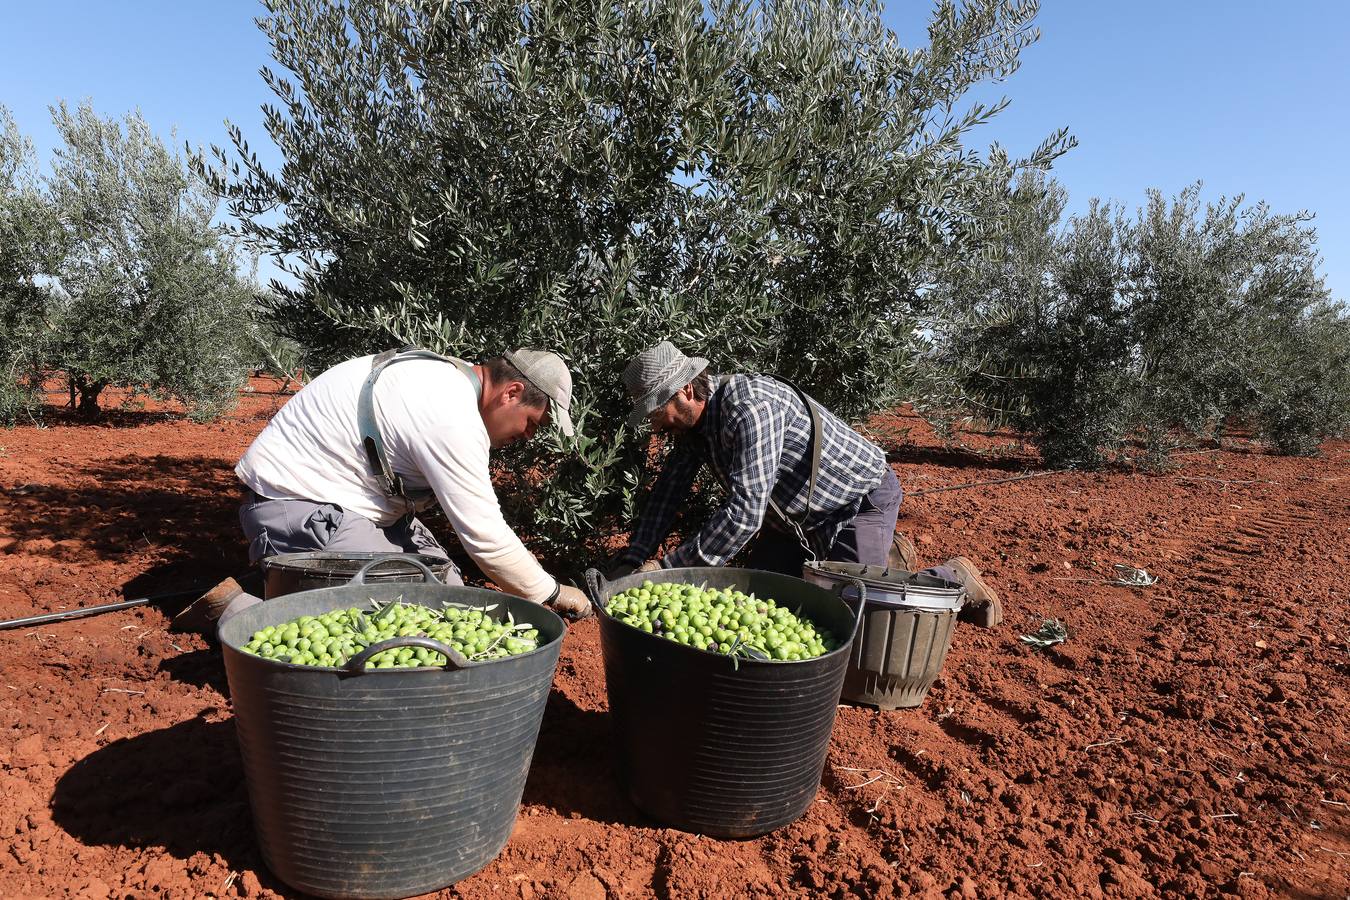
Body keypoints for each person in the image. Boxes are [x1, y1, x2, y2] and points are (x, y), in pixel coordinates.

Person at [606, 341, 1002, 626]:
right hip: (793, 523)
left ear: (686, 391)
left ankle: (950, 577)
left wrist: (665, 568)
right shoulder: (693, 429)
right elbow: (667, 494)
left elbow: (744, 515)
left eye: (656, 410)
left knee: (855, 618)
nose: (655, 423)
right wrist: (633, 555)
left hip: (856, 502)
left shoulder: (750, 408)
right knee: (757, 607)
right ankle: (880, 559)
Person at [227, 346, 590, 617]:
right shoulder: (451, 416)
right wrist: (552, 592)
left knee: (452, 602)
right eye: (533, 423)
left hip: (358, 506)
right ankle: (240, 610)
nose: (530, 436)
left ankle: (287, 586)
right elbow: (487, 538)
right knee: (403, 616)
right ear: (511, 393)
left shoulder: (451, 381)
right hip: (295, 504)